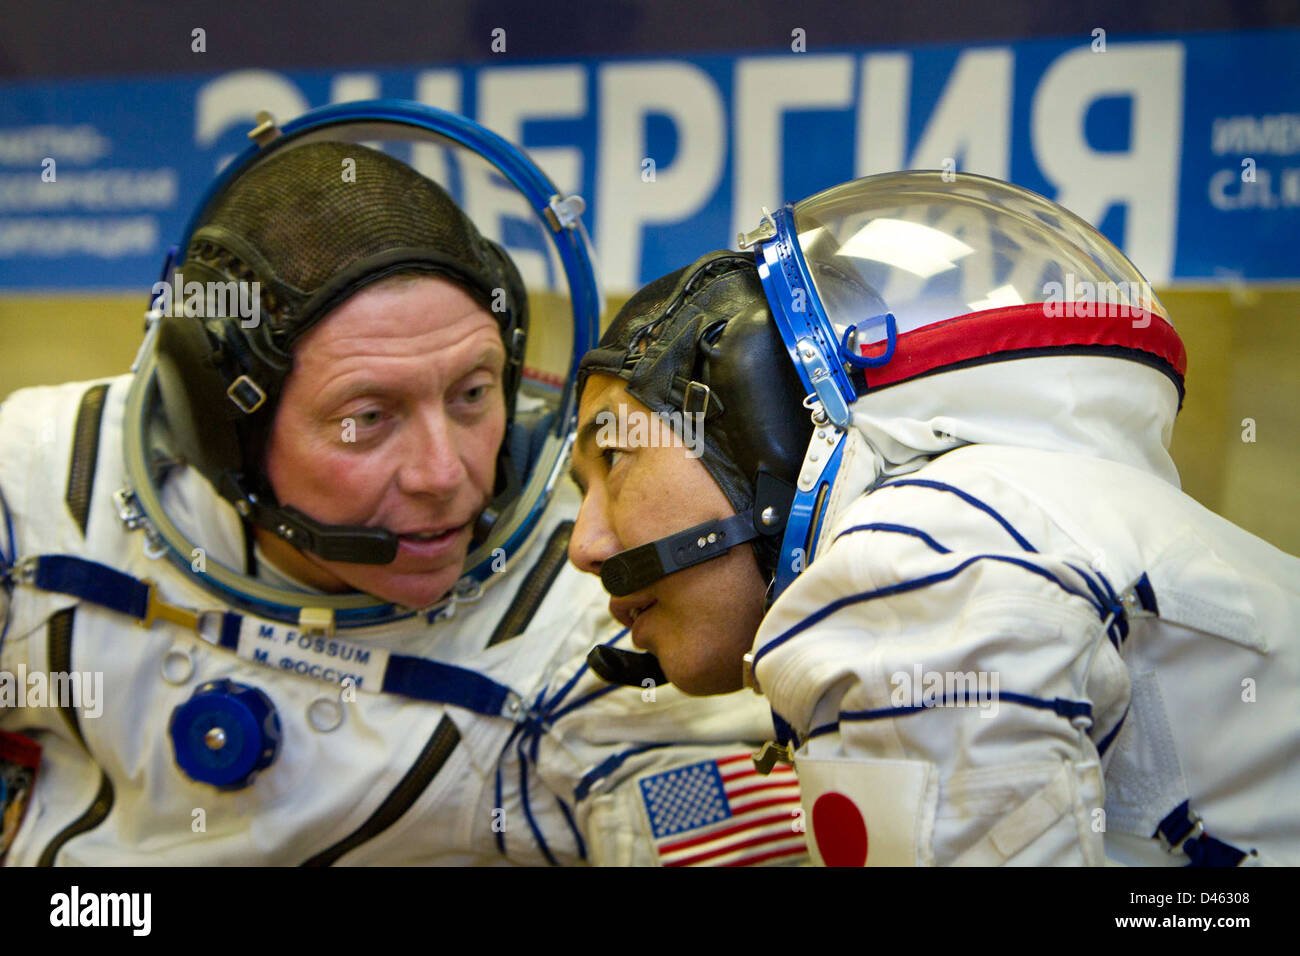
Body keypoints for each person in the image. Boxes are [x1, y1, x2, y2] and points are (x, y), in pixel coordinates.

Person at [0, 101, 805, 866]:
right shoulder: (45, 489)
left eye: (473, 393)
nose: (446, 473)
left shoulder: (594, 629)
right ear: (218, 423)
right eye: (369, 416)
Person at [568, 170, 1300, 866]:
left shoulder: (915, 563)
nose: (585, 545)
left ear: (759, 428)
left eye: (618, 455)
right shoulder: (1024, 515)